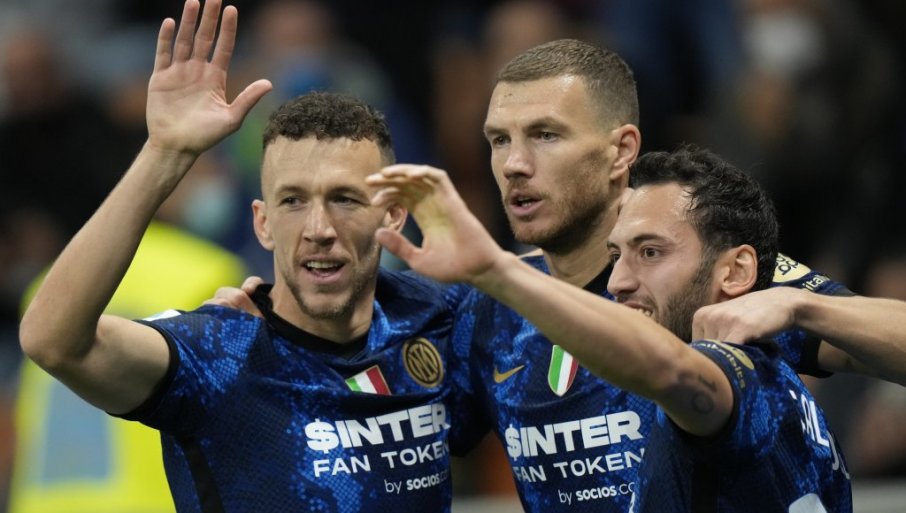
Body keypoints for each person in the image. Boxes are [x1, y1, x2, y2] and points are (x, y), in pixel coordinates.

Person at [18, 1, 459, 512]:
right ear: (262, 223)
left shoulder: (437, 323)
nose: (319, 229)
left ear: (394, 215)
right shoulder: (217, 354)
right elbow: (52, 342)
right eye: (292, 201)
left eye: (345, 199)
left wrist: (491, 273)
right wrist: (166, 153)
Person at [365, 145, 852, 511]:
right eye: (617, 255)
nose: (617, 282)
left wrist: (497, 271)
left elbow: (671, 369)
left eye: (651, 252)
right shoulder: (775, 375)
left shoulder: (738, 377)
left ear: (735, 271)